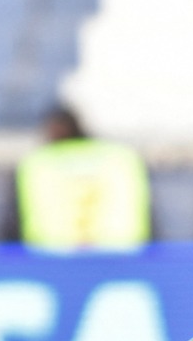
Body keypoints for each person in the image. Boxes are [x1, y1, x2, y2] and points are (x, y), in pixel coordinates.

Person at [12, 104, 151, 250]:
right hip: (122, 256)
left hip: (52, 256)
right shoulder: (120, 157)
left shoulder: (38, 162)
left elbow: (12, 221)